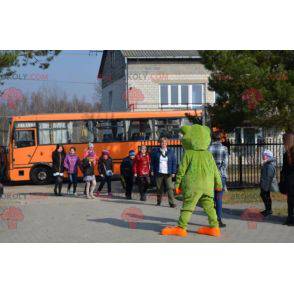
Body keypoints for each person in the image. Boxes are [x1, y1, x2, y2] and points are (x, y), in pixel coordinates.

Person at [161, 124, 222, 238]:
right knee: (210, 207)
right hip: (208, 186)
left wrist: (177, 184)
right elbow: (215, 171)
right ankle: (214, 228)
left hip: (193, 186)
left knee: (188, 207)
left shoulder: (188, 153)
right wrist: (218, 184)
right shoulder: (208, 154)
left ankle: (181, 228)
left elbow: (182, 170)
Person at [209, 131, 228, 227]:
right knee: (219, 199)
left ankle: (212, 220)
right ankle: (219, 219)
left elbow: (207, 164)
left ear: (212, 138)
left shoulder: (208, 149)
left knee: (211, 199)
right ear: (220, 138)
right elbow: (225, 164)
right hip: (221, 176)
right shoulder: (224, 148)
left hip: (210, 177)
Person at [151, 137, 177, 207]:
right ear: (160, 143)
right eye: (162, 142)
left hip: (168, 173)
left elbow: (174, 162)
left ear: (167, 143)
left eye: (165, 143)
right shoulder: (156, 151)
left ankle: (171, 203)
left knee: (170, 188)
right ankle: (159, 202)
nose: (164, 144)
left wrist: (174, 172)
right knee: (159, 188)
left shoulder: (171, 151)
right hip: (159, 172)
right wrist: (152, 170)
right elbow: (152, 162)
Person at [259, 150, 279, 216]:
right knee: (265, 196)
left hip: (266, 184)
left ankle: (268, 210)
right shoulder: (267, 163)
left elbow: (268, 177)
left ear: (267, 156)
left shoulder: (269, 165)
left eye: (264, 155)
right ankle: (268, 209)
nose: (262, 156)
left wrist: (265, 187)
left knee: (265, 196)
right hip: (265, 184)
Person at [281, 133, 294, 225]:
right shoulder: (287, 153)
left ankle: (290, 218)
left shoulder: (286, 154)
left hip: (289, 180)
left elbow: (284, 169)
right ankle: (290, 218)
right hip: (290, 180)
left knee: (290, 200)